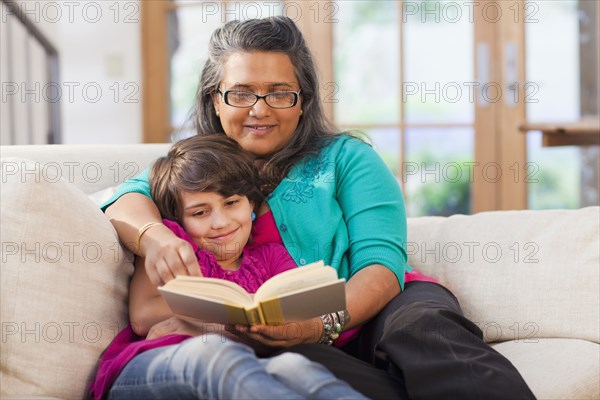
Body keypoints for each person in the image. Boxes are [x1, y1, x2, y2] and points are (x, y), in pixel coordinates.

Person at [103, 16, 535, 399]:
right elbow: (121, 201)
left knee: (421, 329)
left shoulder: (347, 158)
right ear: (215, 100)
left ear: (303, 99)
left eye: (280, 93)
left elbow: (380, 267)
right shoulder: (193, 168)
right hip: (285, 331)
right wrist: (154, 237)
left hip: (378, 302)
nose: (259, 109)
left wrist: (318, 324)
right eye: (241, 93)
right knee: (295, 365)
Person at [90, 135, 366, 399]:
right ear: (179, 218)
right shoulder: (174, 245)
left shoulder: (271, 258)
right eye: (200, 212)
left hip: (246, 367)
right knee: (216, 354)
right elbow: (144, 314)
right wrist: (231, 324)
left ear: (252, 205)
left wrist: (204, 324)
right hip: (151, 365)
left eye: (232, 203)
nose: (220, 222)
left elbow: (287, 325)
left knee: (298, 368)